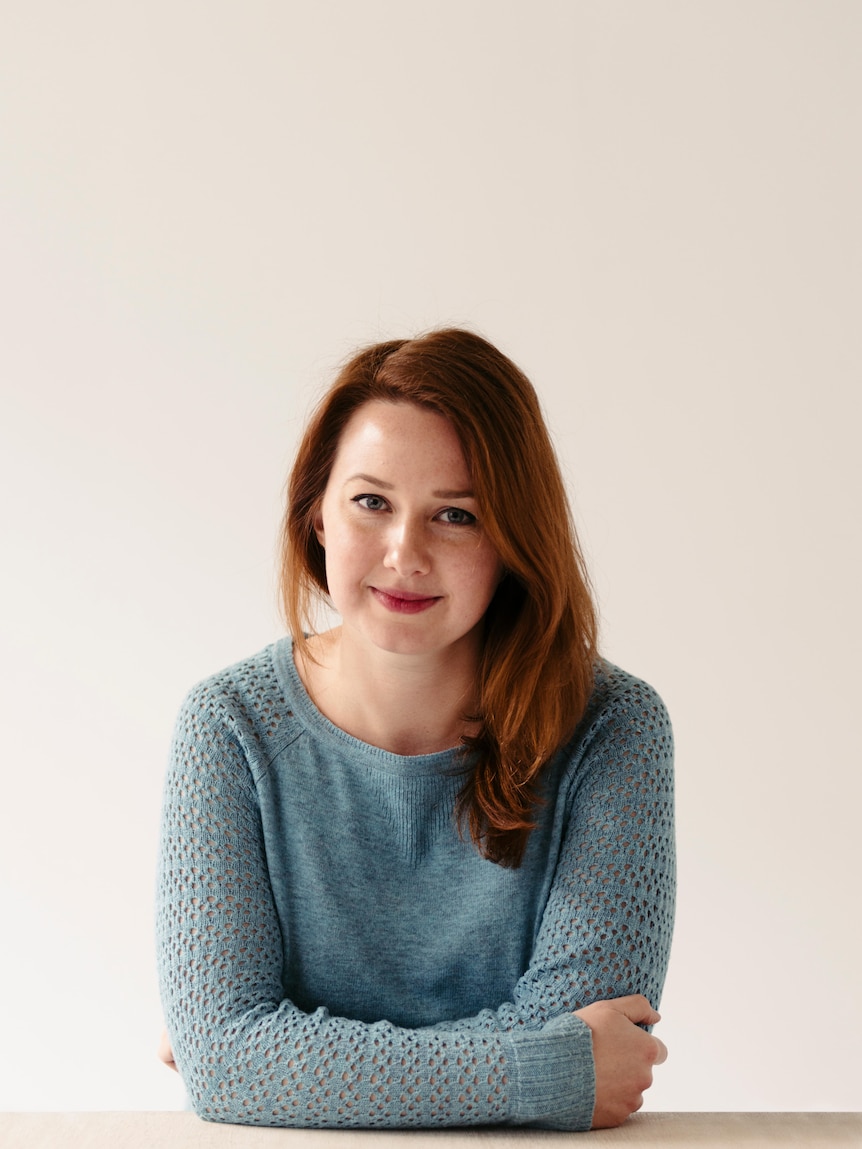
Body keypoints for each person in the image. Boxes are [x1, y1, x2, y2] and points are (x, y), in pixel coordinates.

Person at [156, 328, 675, 1130]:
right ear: (317, 514)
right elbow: (228, 1060)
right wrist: (546, 1068)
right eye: (371, 501)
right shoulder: (229, 728)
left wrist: (291, 1064)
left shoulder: (614, 728)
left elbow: (603, 1045)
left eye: (457, 515)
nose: (405, 552)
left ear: (511, 540)